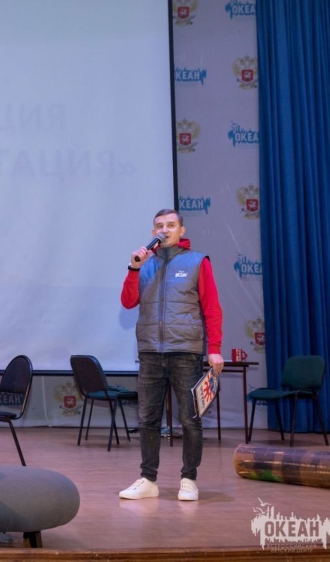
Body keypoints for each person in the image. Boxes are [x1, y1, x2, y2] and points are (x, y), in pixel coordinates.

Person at [118, 208, 223, 502]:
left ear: (181, 230)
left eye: (170, 225)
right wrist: (133, 268)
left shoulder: (197, 262)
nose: (164, 230)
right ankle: (148, 480)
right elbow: (128, 302)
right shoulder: (144, 264)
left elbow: (212, 308)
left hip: (185, 352)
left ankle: (189, 480)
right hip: (151, 352)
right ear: (154, 232)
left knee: (190, 419)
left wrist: (214, 349)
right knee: (148, 419)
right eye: (159, 226)